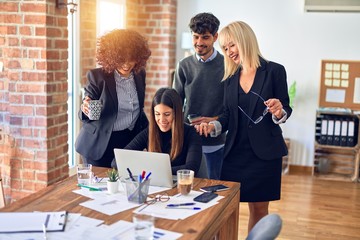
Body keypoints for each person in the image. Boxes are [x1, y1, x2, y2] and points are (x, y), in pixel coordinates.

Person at [196, 21, 292, 232]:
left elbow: (285, 107)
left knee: (259, 209)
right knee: (226, 208)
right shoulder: (230, 79)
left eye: (232, 45)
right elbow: (227, 115)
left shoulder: (274, 71)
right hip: (235, 153)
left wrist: (279, 111)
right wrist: (214, 126)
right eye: (225, 48)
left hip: (264, 155)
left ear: (245, 41)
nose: (229, 52)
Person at [75, 29, 151, 168]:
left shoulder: (139, 75)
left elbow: (138, 110)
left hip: (128, 142)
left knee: (125, 184)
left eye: (131, 58)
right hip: (100, 143)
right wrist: (86, 107)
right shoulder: (98, 77)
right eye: (121, 59)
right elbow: (87, 110)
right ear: (112, 56)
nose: (127, 64)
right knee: (100, 186)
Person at [173, 12, 226, 180]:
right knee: (186, 188)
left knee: (212, 189)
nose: (199, 43)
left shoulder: (228, 66)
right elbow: (176, 104)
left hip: (215, 141)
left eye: (205, 37)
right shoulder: (183, 65)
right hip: (188, 141)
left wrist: (213, 121)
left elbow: (232, 108)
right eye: (196, 37)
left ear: (215, 37)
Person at [111, 88, 202, 175]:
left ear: (176, 113)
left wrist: (152, 170)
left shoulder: (191, 134)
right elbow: (116, 162)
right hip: (156, 186)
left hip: (182, 185)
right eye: (157, 114)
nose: (162, 120)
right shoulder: (149, 132)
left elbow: (191, 168)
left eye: (167, 114)